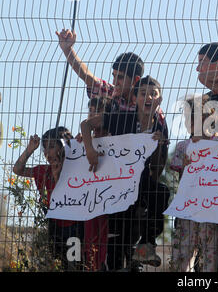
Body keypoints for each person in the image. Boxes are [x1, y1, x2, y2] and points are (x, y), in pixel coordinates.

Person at [80, 76, 170, 271]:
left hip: (141, 181)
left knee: (161, 192)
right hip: (116, 181)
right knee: (118, 235)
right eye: (143, 93)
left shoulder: (160, 126)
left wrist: (158, 146)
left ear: (160, 100)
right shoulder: (121, 118)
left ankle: (146, 246)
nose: (148, 97)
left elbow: (157, 169)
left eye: (153, 94)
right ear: (135, 98)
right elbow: (85, 125)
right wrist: (90, 151)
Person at [55, 28, 165, 127]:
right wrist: (67, 50)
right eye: (114, 76)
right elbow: (87, 76)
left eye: (120, 77)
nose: (115, 82)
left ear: (135, 80)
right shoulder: (110, 94)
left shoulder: (150, 107)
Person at [13, 127, 84, 271]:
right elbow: (18, 170)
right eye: (45, 148)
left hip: (75, 229)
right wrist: (30, 149)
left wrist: (58, 175)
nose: (47, 153)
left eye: (51, 147)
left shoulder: (75, 170)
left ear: (63, 147)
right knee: (58, 265)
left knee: (73, 266)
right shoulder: (44, 171)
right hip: (55, 229)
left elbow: (63, 199)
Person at [169, 95, 218, 272]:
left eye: (195, 116)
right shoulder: (183, 147)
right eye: (187, 116)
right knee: (181, 256)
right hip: (187, 210)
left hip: (212, 210)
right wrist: (186, 167)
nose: (189, 121)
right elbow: (181, 179)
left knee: (210, 256)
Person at [81, 97, 112, 271]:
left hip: (108, 198)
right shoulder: (85, 141)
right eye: (90, 111)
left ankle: (102, 264)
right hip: (89, 199)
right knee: (89, 236)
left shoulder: (115, 137)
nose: (92, 115)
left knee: (104, 235)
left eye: (97, 111)